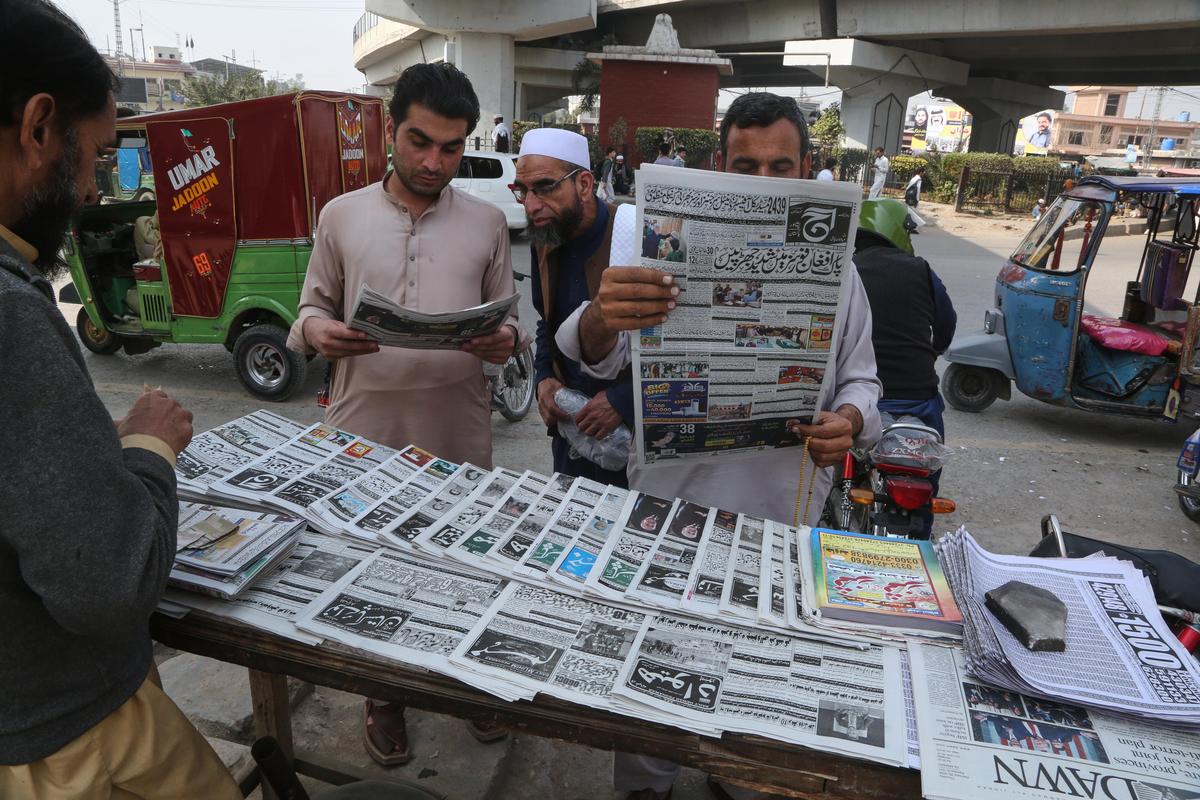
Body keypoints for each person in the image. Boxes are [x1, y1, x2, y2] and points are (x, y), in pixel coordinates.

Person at [563, 91, 881, 799]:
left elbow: (863, 382)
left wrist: (849, 423)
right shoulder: (659, 253)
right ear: (720, 167)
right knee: (655, 678)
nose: (764, 182)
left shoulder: (843, 276)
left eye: (781, 167)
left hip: (781, 519)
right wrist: (603, 319)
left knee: (756, 684)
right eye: (747, 166)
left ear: (808, 169)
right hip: (671, 516)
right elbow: (593, 358)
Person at [0, 2, 240, 797]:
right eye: (97, 156)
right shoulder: (11, 313)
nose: (95, 187)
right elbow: (108, 582)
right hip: (65, 738)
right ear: (40, 128)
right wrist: (146, 448)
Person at [286, 62, 527, 767]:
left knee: (461, 564)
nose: (433, 162)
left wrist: (505, 339)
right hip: (363, 429)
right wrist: (315, 333)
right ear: (391, 132)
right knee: (367, 570)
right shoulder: (341, 215)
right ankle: (383, 697)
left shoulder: (485, 223)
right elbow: (309, 309)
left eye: (451, 148)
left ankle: (465, 687)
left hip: (458, 428)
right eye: (420, 142)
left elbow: (515, 332)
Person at [515, 128, 635, 487]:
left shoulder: (634, 234)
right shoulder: (546, 237)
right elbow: (545, 324)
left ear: (584, 184)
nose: (531, 205)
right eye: (523, 191)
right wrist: (544, 379)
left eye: (546, 187)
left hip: (632, 443)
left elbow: (679, 346)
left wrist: (621, 401)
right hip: (571, 437)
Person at [854, 199, 956, 536]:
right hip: (918, 399)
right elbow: (946, 325)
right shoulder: (922, 270)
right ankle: (921, 527)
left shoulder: (845, 270)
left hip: (861, 402)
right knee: (925, 477)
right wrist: (933, 352)